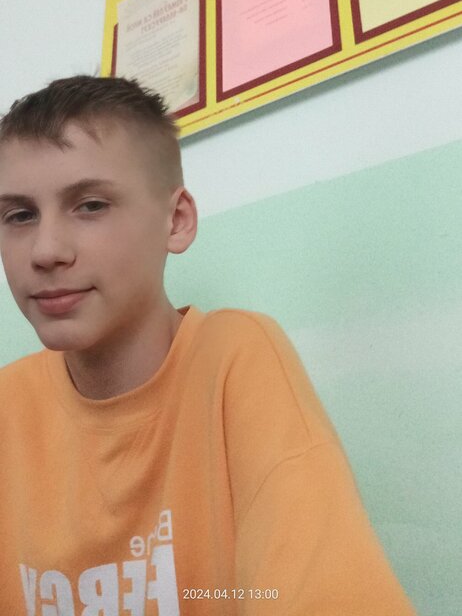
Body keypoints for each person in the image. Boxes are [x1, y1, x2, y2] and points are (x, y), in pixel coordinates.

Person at [0, 74, 417, 615]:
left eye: (91, 205)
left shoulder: (236, 360)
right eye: (19, 215)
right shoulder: (9, 403)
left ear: (176, 221)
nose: (45, 250)